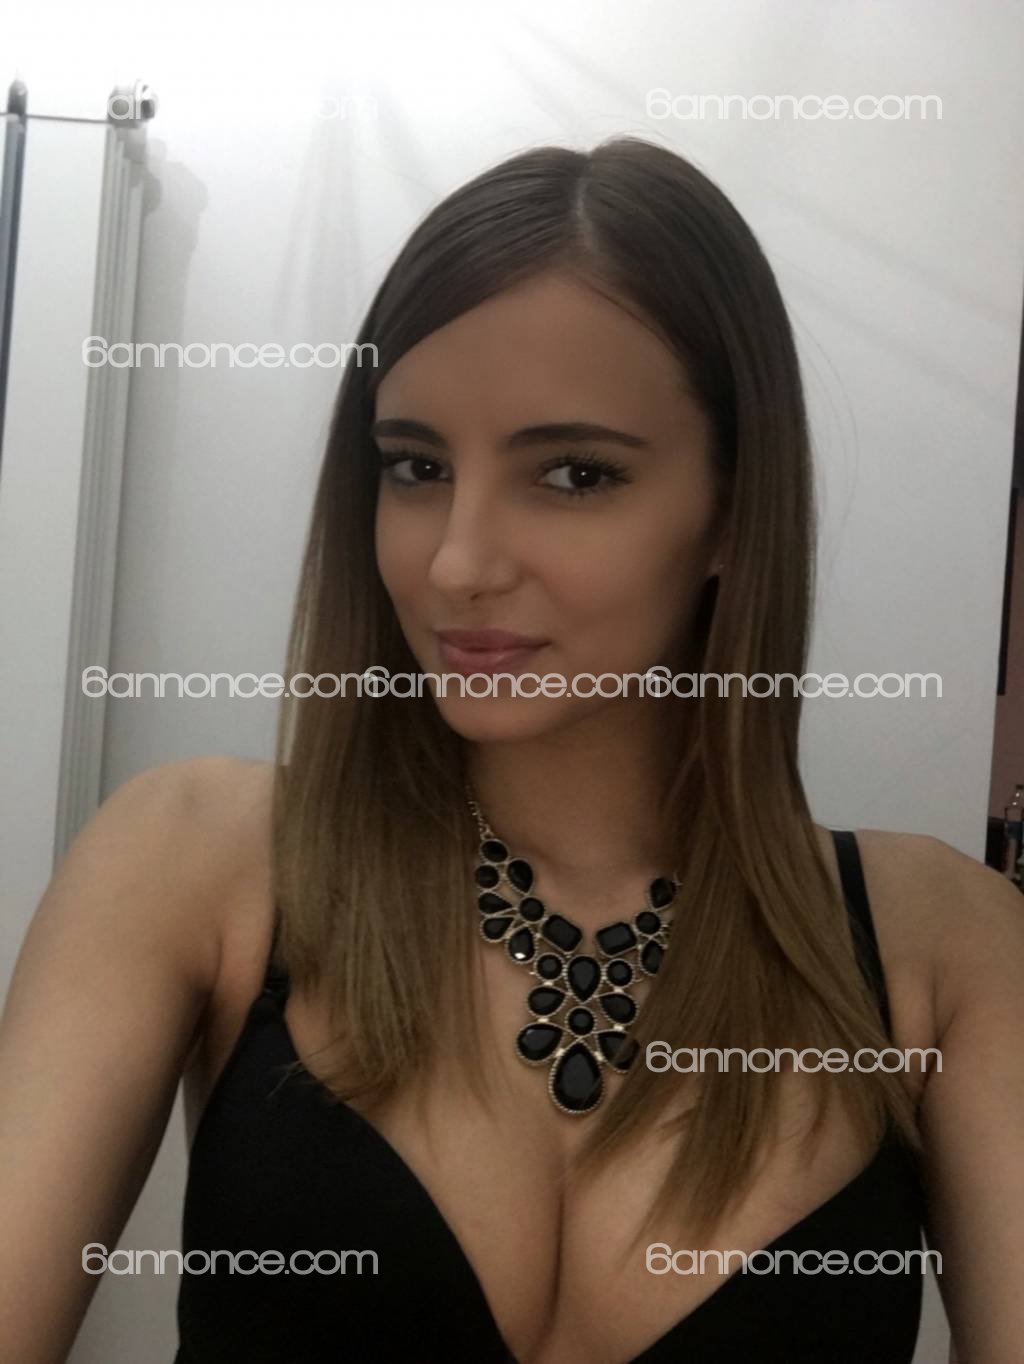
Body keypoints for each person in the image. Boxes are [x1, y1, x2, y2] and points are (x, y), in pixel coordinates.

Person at [1, 136, 1021, 1364]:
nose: (457, 562)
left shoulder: (945, 949)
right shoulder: (198, 862)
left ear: (731, 511)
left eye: (574, 473)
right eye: (416, 466)